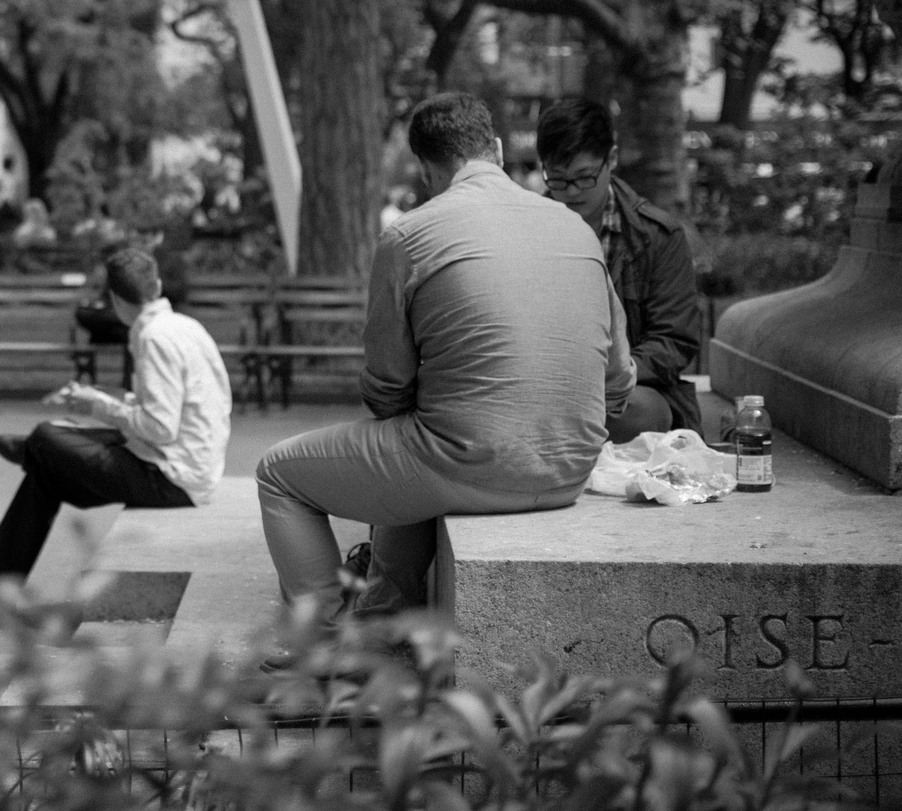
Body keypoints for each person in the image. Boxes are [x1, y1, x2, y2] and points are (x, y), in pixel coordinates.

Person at [255, 93, 633, 626]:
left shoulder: (409, 235)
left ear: (428, 169)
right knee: (414, 437)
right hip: (570, 466)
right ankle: (383, 616)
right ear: (497, 149)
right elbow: (618, 377)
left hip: (471, 462)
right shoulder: (577, 229)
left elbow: (386, 386)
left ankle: (321, 636)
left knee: (278, 472)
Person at [0, 248, 231, 616]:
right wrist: (102, 397)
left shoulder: (153, 337)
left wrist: (97, 406)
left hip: (172, 477)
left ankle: (34, 450)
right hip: (189, 463)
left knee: (45, 435)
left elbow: (160, 428)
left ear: (115, 300)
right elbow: (175, 408)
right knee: (46, 473)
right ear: (159, 286)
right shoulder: (185, 326)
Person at [536, 98, 703, 441]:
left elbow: (673, 341)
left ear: (610, 160)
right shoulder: (527, 227)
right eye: (558, 179)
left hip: (627, 391)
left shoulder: (658, 236)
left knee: (640, 414)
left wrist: (613, 374)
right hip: (545, 389)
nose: (570, 192)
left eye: (584, 178)